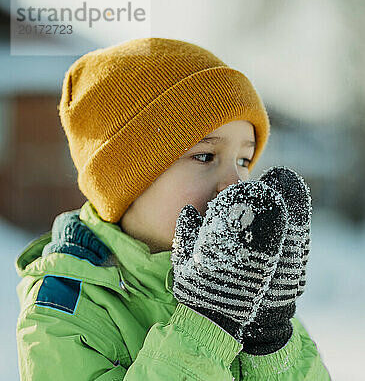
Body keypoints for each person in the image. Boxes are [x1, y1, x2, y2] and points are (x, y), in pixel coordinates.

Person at [14, 37, 331, 380]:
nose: (236, 183)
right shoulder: (62, 310)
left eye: (244, 159)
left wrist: (271, 337)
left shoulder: (243, 284)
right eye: (205, 156)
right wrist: (207, 323)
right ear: (128, 177)